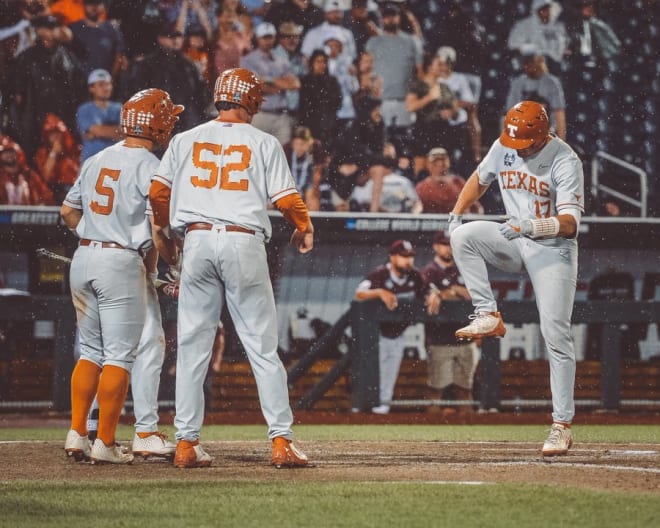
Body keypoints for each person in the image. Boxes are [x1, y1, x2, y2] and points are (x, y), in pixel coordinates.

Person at [149, 67, 314, 468]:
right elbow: (287, 200)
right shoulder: (264, 141)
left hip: (198, 241)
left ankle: (185, 443)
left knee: (191, 348)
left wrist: (167, 236)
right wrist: (305, 225)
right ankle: (280, 441)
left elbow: (157, 193)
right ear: (252, 101)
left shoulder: (185, 138)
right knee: (261, 347)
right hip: (243, 241)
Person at [447, 100, 584, 456]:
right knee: (463, 236)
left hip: (552, 249)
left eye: (524, 141)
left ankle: (561, 425)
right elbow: (479, 179)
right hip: (514, 239)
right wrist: (456, 212)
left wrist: (531, 225)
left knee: (556, 333)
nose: (517, 148)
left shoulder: (565, 160)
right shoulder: (504, 144)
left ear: (542, 133)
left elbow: (570, 225)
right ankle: (487, 313)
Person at [61, 88, 184, 464]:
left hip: (84, 256)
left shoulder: (97, 158)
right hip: (120, 261)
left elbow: (67, 213)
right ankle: (107, 443)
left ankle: (78, 433)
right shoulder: (152, 166)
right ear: (157, 124)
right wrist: (175, 263)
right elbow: (158, 232)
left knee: (92, 353)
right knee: (119, 357)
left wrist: (97, 234)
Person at [354, 239, 440, 414]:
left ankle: (382, 408)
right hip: (375, 336)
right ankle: (362, 408)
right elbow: (359, 293)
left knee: (389, 374)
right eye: (403, 256)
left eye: (410, 256)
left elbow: (430, 289)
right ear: (392, 257)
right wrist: (379, 291)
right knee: (370, 372)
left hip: (398, 333)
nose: (408, 260)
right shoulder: (380, 274)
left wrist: (433, 294)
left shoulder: (415, 276)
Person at [421, 232, 477, 415]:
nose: (448, 248)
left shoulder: (462, 268)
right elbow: (431, 297)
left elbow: (474, 294)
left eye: (450, 244)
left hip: (465, 338)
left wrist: (451, 290)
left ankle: (467, 433)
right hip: (440, 339)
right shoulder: (429, 271)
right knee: (436, 388)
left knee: (465, 388)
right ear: (436, 246)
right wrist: (453, 292)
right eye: (444, 244)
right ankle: (430, 431)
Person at [240, 21, 301, 145]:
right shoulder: (248, 60)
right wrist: (282, 84)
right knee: (255, 154)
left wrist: (269, 80)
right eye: (265, 37)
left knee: (281, 157)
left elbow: (295, 84)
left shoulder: (281, 61)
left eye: (270, 37)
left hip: (281, 116)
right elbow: (257, 86)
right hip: (260, 115)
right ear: (258, 38)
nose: (268, 41)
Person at [505, 51, 566, 140]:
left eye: (531, 63)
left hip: (547, 132)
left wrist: (562, 141)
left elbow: (559, 113)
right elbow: (509, 113)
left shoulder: (551, 82)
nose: (529, 67)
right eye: (526, 63)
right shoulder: (517, 82)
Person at [507, 0, 568, 74]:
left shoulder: (558, 27)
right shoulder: (524, 26)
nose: (547, 13)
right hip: (529, 66)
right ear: (537, 11)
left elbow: (563, 48)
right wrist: (536, 49)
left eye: (548, 9)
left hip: (553, 68)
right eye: (544, 10)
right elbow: (513, 45)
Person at [68, 0, 126, 77]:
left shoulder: (112, 28)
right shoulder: (74, 28)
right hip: (81, 81)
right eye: (90, 4)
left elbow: (119, 55)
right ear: (84, 5)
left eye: (97, 3)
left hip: (107, 81)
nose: (94, 7)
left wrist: (111, 79)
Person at [416, 147, 482, 214]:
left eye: (443, 161)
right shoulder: (421, 186)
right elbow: (417, 209)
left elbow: (477, 208)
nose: (440, 164)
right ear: (428, 164)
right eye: (435, 163)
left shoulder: (458, 182)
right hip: (432, 222)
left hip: (457, 222)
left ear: (448, 162)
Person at [76, 69, 122, 163]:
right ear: (91, 88)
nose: (106, 88)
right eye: (101, 84)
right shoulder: (84, 110)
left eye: (108, 84)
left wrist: (98, 133)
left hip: (115, 162)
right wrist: (115, 131)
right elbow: (100, 131)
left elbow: (126, 133)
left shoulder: (119, 108)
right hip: (91, 162)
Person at [0, 134, 54, 205]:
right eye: (5, 153)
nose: (9, 156)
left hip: (28, 214)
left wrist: (40, 206)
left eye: (11, 152)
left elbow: (47, 196)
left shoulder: (29, 175)